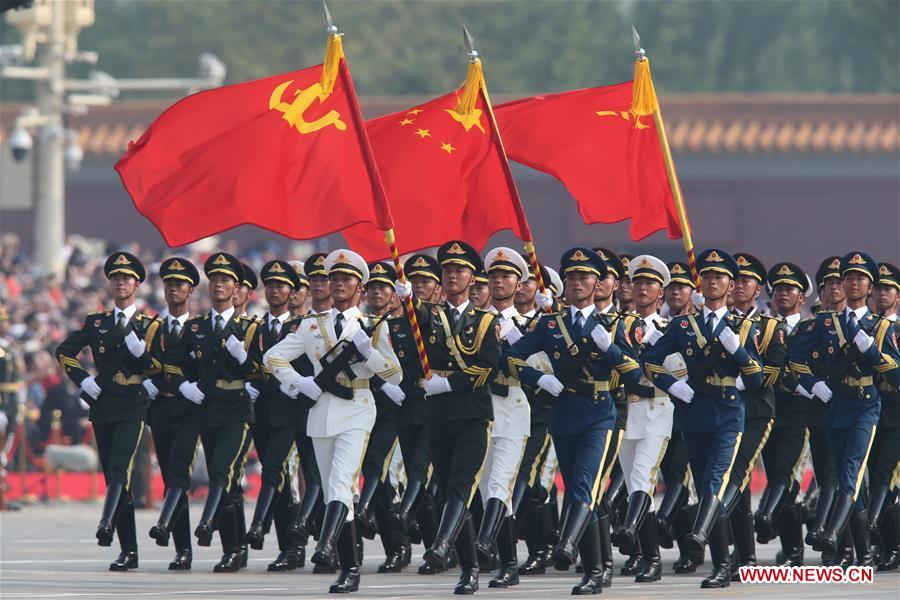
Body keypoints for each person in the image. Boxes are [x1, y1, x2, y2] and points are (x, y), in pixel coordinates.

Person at [506, 247, 642, 595]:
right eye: (572, 278)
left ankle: (567, 544)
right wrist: (539, 379)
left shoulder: (616, 324)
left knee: (584, 486)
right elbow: (512, 358)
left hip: (600, 413)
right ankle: (597, 569)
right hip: (563, 413)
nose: (578, 283)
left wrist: (609, 347)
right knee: (586, 493)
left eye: (584, 277)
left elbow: (634, 373)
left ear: (598, 284)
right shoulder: (550, 324)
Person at [265, 249, 401, 594]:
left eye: (346, 279)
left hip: (358, 408)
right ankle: (350, 569)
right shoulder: (311, 325)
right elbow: (273, 356)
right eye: (333, 279)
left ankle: (325, 545)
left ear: (360, 287)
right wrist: (298, 383)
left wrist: (368, 351)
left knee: (341, 480)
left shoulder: (372, 327)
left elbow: (394, 374)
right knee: (333, 491)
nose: (338, 284)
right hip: (321, 411)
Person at [642, 249, 764, 589]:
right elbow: (650, 361)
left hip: (727, 414)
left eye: (720, 277)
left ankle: (702, 538)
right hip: (695, 414)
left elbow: (756, 379)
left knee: (715, 482)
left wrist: (737, 350)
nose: (713, 281)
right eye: (707, 276)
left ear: (730, 284)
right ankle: (722, 565)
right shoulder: (683, 325)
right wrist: (672, 385)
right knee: (705, 483)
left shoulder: (741, 326)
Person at [394, 240, 501, 594]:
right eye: (448, 270)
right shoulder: (431, 314)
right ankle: (469, 569)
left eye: (459, 270)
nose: (453, 275)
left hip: (472, 415)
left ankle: (440, 544)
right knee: (448, 491)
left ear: (472, 278)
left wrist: (450, 383)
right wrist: (408, 297)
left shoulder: (486, 320)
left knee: (460, 485)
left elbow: (487, 367)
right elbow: (418, 316)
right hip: (437, 416)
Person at [791, 252, 900, 566]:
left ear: (870, 286)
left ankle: (832, 532)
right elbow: (796, 358)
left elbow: (895, 374)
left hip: (866, 406)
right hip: (834, 405)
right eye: (848, 278)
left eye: (860, 278)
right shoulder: (826, 322)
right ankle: (864, 553)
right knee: (842, 476)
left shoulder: (881, 328)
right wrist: (813, 384)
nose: (853, 283)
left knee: (850, 472)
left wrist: (873, 353)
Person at [56, 252, 162, 571]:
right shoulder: (97, 322)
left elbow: (162, 367)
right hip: (103, 404)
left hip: (134, 403)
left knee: (120, 468)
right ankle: (128, 550)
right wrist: (83, 380)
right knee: (115, 477)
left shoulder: (151, 324)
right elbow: (64, 351)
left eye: (127, 278)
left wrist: (142, 357)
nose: (120, 282)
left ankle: (106, 523)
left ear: (137, 284)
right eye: (116, 277)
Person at [165, 252, 259, 572]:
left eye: (226, 280)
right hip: (207, 408)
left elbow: (262, 371)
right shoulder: (196, 327)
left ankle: (208, 522)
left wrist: (244, 360)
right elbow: (171, 363)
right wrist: (183, 386)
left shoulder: (250, 328)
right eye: (215, 280)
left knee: (222, 470)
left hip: (236, 408)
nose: (219, 284)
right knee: (228, 481)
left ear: (236, 288)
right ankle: (234, 549)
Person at [722, 254, 787, 575]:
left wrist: (741, 374)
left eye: (745, 281)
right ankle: (743, 555)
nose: (738, 286)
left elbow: (772, 372)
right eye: (733, 281)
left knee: (737, 472)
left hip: (757, 411)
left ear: (758, 288)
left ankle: (713, 522)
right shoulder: (716, 321)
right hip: (722, 409)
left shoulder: (770, 326)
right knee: (739, 481)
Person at [472, 247, 533, 588]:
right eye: (493, 275)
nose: (498, 281)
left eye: (506, 275)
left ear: (519, 282)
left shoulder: (531, 324)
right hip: (481, 410)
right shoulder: (473, 320)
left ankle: (485, 544)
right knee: (490, 493)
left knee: (500, 484)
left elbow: (540, 367)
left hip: (512, 409)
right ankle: (508, 563)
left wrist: (517, 340)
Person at [613, 255, 676, 583]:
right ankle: (647, 556)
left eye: (649, 283)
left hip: (656, 411)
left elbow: (679, 373)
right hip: (626, 413)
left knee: (641, 478)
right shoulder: (617, 325)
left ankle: (630, 533)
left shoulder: (670, 329)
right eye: (637, 282)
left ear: (661, 293)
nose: (641, 288)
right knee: (637, 484)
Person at [244, 260, 304, 570]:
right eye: (270, 285)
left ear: (292, 292)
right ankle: (290, 549)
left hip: (291, 412)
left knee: (274, 470)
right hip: (263, 411)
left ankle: (258, 526)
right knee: (277, 479)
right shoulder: (256, 328)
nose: (275, 290)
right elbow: (252, 365)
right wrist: (254, 381)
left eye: (281, 285)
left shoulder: (303, 326)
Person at [752, 262, 811, 570]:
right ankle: (792, 550)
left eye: (791, 289)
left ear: (801, 297)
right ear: (770, 295)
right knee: (782, 479)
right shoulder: (761, 328)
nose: (784, 294)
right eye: (779, 289)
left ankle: (767, 517)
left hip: (800, 415)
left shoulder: (811, 327)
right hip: (768, 412)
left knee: (784, 475)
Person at [145, 257, 201, 571]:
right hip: (162, 407)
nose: (172, 290)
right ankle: (182, 548)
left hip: (189, 408)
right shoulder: (153, 327)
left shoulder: (199, 328)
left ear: (190, 290)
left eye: (179, 284)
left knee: (179, 471)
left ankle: (174, 536)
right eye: (168, 284)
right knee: (169, 476)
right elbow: (143, 365)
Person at [388, 253, 442, 575]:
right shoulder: (394, 325)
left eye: (426, 281)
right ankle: (435, 548)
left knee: (422, 472)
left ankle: (404, 515)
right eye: (414, 281)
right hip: (407, 407)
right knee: (416, 477)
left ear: (437, 289)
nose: (420, 286)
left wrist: (414, 305)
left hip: (437, 408)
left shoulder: (441, 316)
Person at [354, 261, 406, 572]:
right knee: (380, 480)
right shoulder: (356, 324)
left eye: (383, 287)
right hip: (364, 404)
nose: (376, 292)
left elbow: (410, 364)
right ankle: (394, 548)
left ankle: (368, 516)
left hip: (395, 411)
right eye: (371, 287)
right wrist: (379, 384)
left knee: (379, 467)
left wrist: (396, 387)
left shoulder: (404, 324)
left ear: (394, 293)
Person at [869, 262, 899, 571]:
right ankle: (884, 545)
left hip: (897, 413)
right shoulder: (864, 327)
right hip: (871, 413)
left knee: (885, 476)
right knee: (875, 478)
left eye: (888, 289)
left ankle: (886, 541)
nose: (881, 294)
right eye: (877, 289)